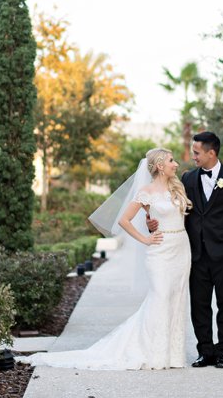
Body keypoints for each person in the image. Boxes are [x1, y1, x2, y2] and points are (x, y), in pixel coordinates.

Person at [21, 148, 192, 370]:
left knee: (177, 299)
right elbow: (124, 220)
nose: (176, 164)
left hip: (181, 249)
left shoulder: (176, 188)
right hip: (159, 251)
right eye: (171, 160)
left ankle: (173, 356)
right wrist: (146, 239)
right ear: (159, 165)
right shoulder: (145, 192)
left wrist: (152, 220)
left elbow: (168, 216)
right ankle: (154, 354)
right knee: (159, 297)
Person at [148, 131, 223, 369]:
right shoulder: (188, 178)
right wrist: (152, 222)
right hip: (194, 254)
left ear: (211, 152)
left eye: (196, 152)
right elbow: (173, 208)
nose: (193, 156)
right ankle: (205, 351)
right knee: (199, 304)